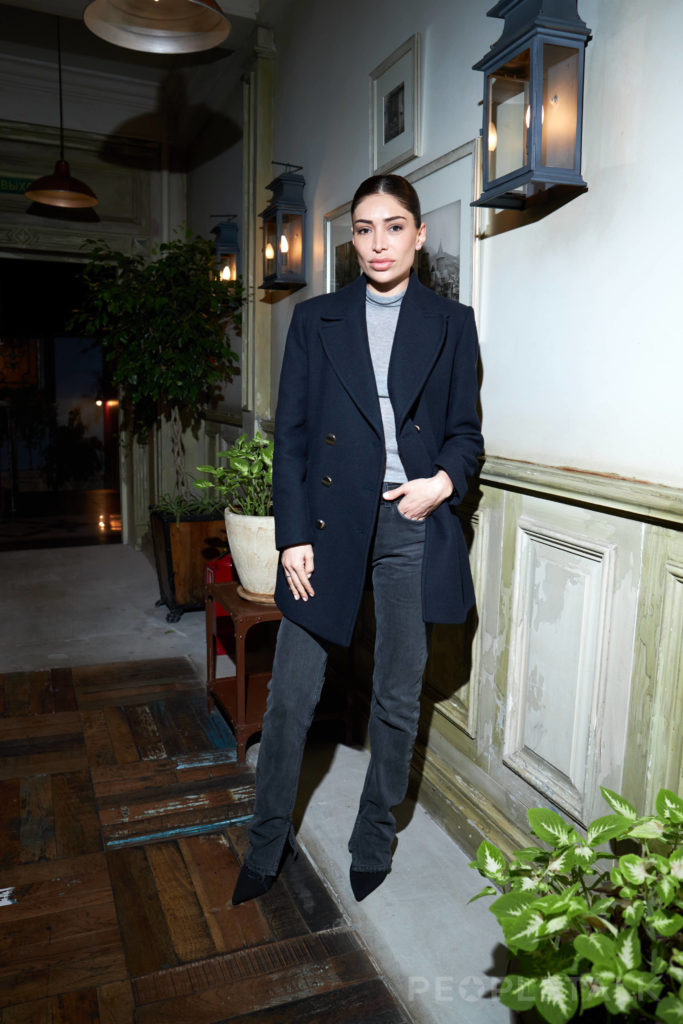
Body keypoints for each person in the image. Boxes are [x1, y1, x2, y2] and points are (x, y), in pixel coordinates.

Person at [232, 173, 483, 905]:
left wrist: (442, 482)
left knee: (397, 695)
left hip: (410, 523)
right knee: (290, 697)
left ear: (418, 235)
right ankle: (266, 842)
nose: (379, 243)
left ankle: (372, 839)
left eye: (394, 227)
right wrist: (291, 537)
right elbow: (292, 438)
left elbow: (465, 434)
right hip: (326, 528)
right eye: (366, 228)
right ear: (352, 239)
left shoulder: (452, 322)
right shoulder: (316, 320)